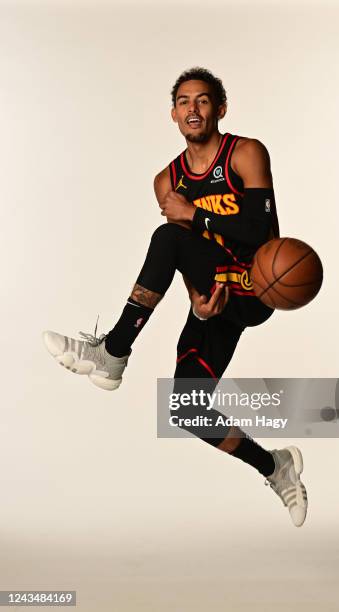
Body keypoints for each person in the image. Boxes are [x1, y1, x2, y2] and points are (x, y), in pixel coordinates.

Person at [43, 67, 308, 527]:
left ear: (220, 109)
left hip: (257, 285)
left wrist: (196, 215)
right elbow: (184, 255)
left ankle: (113, 351)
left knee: (167, 234)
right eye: (184, 101)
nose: (193, 109)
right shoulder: (166, 182)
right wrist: (196, 298)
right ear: (173, 114)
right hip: (215, 295)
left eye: (203, 100)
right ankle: (275, 466)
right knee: (187, 409)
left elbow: (254, 229)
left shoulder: (245, 153)